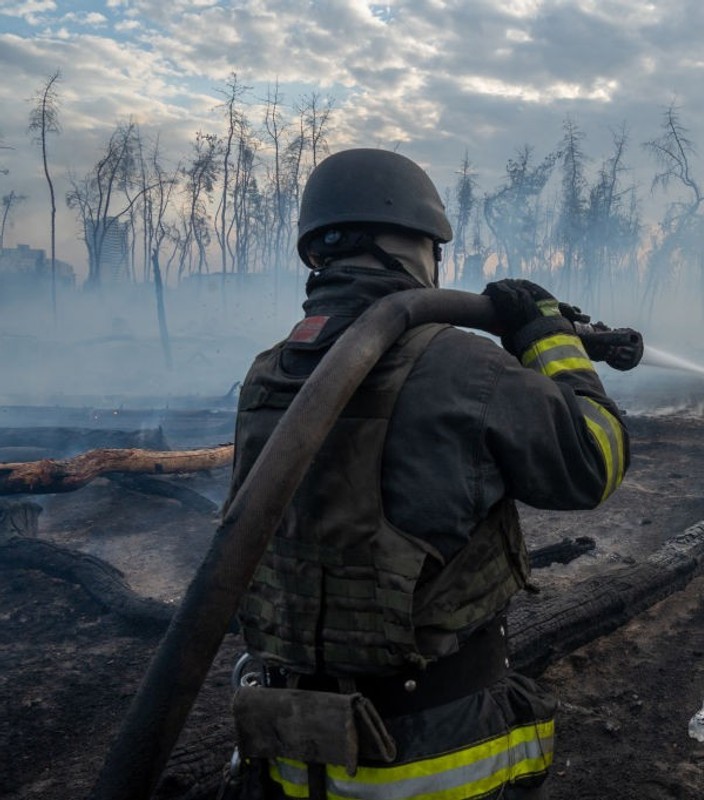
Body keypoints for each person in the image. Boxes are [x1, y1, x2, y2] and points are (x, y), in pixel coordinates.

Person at [220, 148, 629, 800]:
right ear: (413, 245)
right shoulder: (462, 365)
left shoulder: (270, 372)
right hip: (442, 752)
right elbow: (593, 464)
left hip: (300, 757)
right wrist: (553, 345)